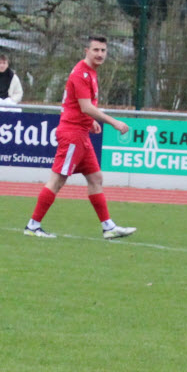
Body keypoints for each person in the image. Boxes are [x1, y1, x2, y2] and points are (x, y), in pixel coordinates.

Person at [24, 36, 136, 240]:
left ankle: (108, 227)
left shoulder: (90, 72)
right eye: (96, 50)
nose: (100, 54)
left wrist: (89, 122)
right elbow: (85, 106)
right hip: (72, 135)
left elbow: (78, 106)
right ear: (87, 51)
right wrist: (113, 122)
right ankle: (33, 225)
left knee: (96, 178)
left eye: (103, 50)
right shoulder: (81, 73)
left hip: (81, 133)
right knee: (57, 181)